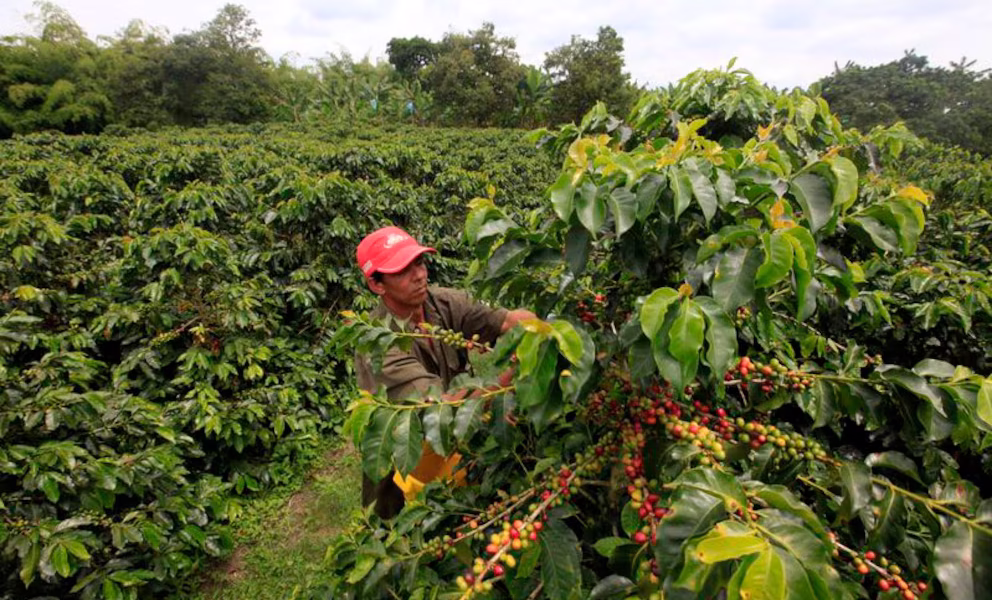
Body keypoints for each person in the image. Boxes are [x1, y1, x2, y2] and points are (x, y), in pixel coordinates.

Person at [354, 226, 536, 518]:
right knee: (401, 528)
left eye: (419, 263)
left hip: (451, 441)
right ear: (378, 285)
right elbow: (443, 405)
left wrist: (545, 333)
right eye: (402, 270)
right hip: (407, 453)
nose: (419, 275)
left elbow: (507, 321)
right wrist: (511, 375)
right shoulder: (375, 345)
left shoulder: (442, 302)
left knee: (457, 512)